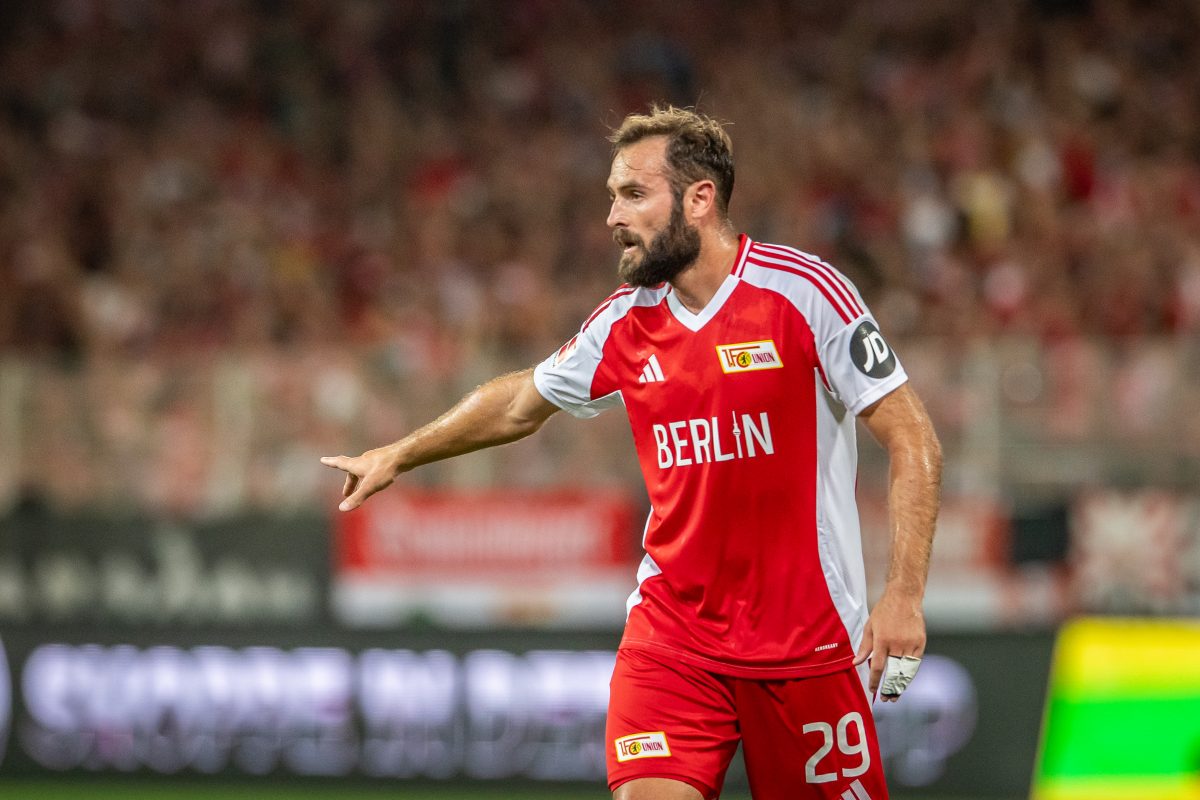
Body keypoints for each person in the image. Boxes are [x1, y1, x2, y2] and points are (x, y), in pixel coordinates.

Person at [321, 106, 942, 800]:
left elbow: (912, 436)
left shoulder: (804, 295)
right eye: (613, 196)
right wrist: (399, 454)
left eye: (633, 194)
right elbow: (522, 401)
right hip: (673, 638)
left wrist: (903, 595)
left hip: (806, 641)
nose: (613, 217)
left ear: (699, 199)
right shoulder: (625, 318)